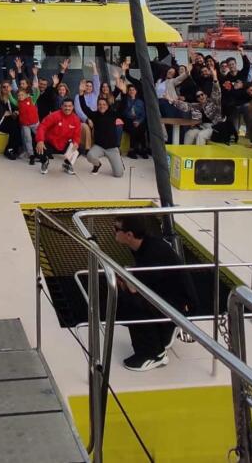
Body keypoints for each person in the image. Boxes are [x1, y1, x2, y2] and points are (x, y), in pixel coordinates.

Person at [113, 214, 197, 371]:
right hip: (166, 295)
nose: (114, 232)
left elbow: (137, 288)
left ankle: (154, 353)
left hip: (178, 304)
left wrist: (125, 279)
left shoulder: (153, 251)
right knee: (126, 296)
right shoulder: (143, 246)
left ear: (129, 235)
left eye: (116, 229)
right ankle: (157, 337)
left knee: (133, 301)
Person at [36, 98, 82, 174]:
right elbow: (42, 127)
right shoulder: (54, 115)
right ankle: (45, 162)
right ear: (61, 106)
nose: (67, 108)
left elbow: (77, 134)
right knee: (39, 148)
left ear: (73, 107)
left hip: (64, 144)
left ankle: (67, 164)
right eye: (65, 106)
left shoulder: (76, 119)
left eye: (70, 106)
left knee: (79, 148)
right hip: (51, 144)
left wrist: (76, 142)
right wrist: (40, 140)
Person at [81, 95, 124, 177]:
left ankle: (118, 161)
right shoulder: (95, 115)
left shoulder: (112, 114)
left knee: (118, 174)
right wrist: (81, 95)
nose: (102, 106)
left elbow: (122, 107)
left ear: (107, 106)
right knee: (90, 155)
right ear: (97, 106)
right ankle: (97, 165)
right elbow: (84, 108)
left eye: (104, 104)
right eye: (100, 104)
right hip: (99, 147)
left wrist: (124, 94)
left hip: (112, 148)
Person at [0, 81, 22, 160]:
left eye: (7, 86)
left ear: (10, 88)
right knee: (14, 126)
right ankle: (10, 149)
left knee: (16, 125)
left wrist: (15, 112)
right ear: (1, 89)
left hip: (10, 120)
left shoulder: (14, 97)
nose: (6, 88)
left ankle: (13, 148)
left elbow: (17, 108)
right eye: (4, 87)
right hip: (0, 122)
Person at [17, 87, 40, 162]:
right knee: (28, 139)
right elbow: (12, 99)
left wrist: (36, 88)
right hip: (25, 125)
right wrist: (9, 93)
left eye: (22, 95)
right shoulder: (18, 102)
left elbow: (37, 94)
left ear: (27, 95)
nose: (20, 97)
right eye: (19, 95)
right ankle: (31, 155)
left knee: (39, 137)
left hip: (35, 123)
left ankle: (42, 152)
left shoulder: (31, 100)